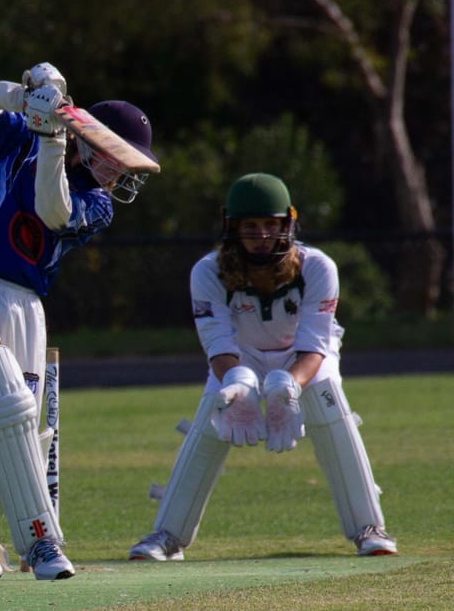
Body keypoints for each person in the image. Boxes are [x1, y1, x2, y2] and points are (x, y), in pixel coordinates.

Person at [0, 62, 154, 580]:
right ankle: (41, 543)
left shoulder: (98, 204)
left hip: (27, 306)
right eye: (118, 158)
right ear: (93, 141)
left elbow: (52, 212)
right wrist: (22, 95)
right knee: (8, 404)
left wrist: (52, 135)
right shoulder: (23, 141)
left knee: (27, 438)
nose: (121, 172)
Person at [129, 172, 397, 561]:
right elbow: (217, 344)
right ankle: (167, 536)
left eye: (270, 225)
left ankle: (368, 528)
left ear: (287, 223)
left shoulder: (318, 267)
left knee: (328, 404)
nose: (261, 235)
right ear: (232, 228)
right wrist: (237, 384)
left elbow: (316, 344)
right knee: (214, 415)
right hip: (241, 356)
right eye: (250, 226)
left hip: (303, 357)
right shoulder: (208, 271)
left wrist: (288, 386)